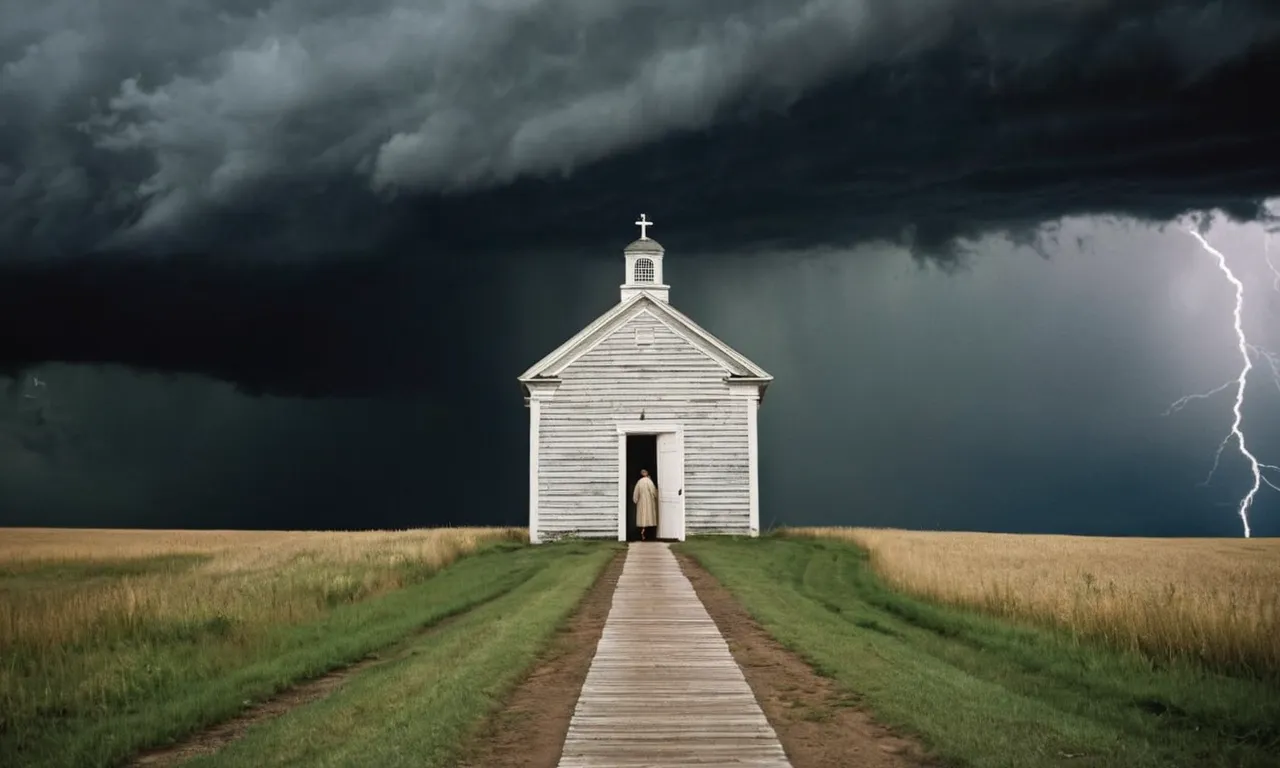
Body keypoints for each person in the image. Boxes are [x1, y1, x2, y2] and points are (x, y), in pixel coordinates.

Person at [632, 468, 658, 540]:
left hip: (641, 501)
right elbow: (653, 491)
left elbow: (636, 492)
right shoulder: (649, 481)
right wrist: (656, 496)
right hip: (649, 501)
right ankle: (648, 534)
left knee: (643, 516)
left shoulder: (639, 482)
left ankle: (643, 531)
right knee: (649, 515)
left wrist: (635, 499)